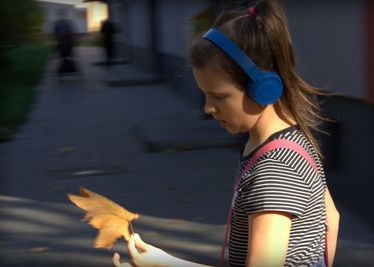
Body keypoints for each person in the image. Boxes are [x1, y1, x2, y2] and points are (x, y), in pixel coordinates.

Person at [113, 0, 340, 266]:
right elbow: (331, 219)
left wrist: (164, 264)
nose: (208, 108)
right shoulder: (291, 140)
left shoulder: (275, 169)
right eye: (205, 95)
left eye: (219, 96)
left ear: (264, 89)